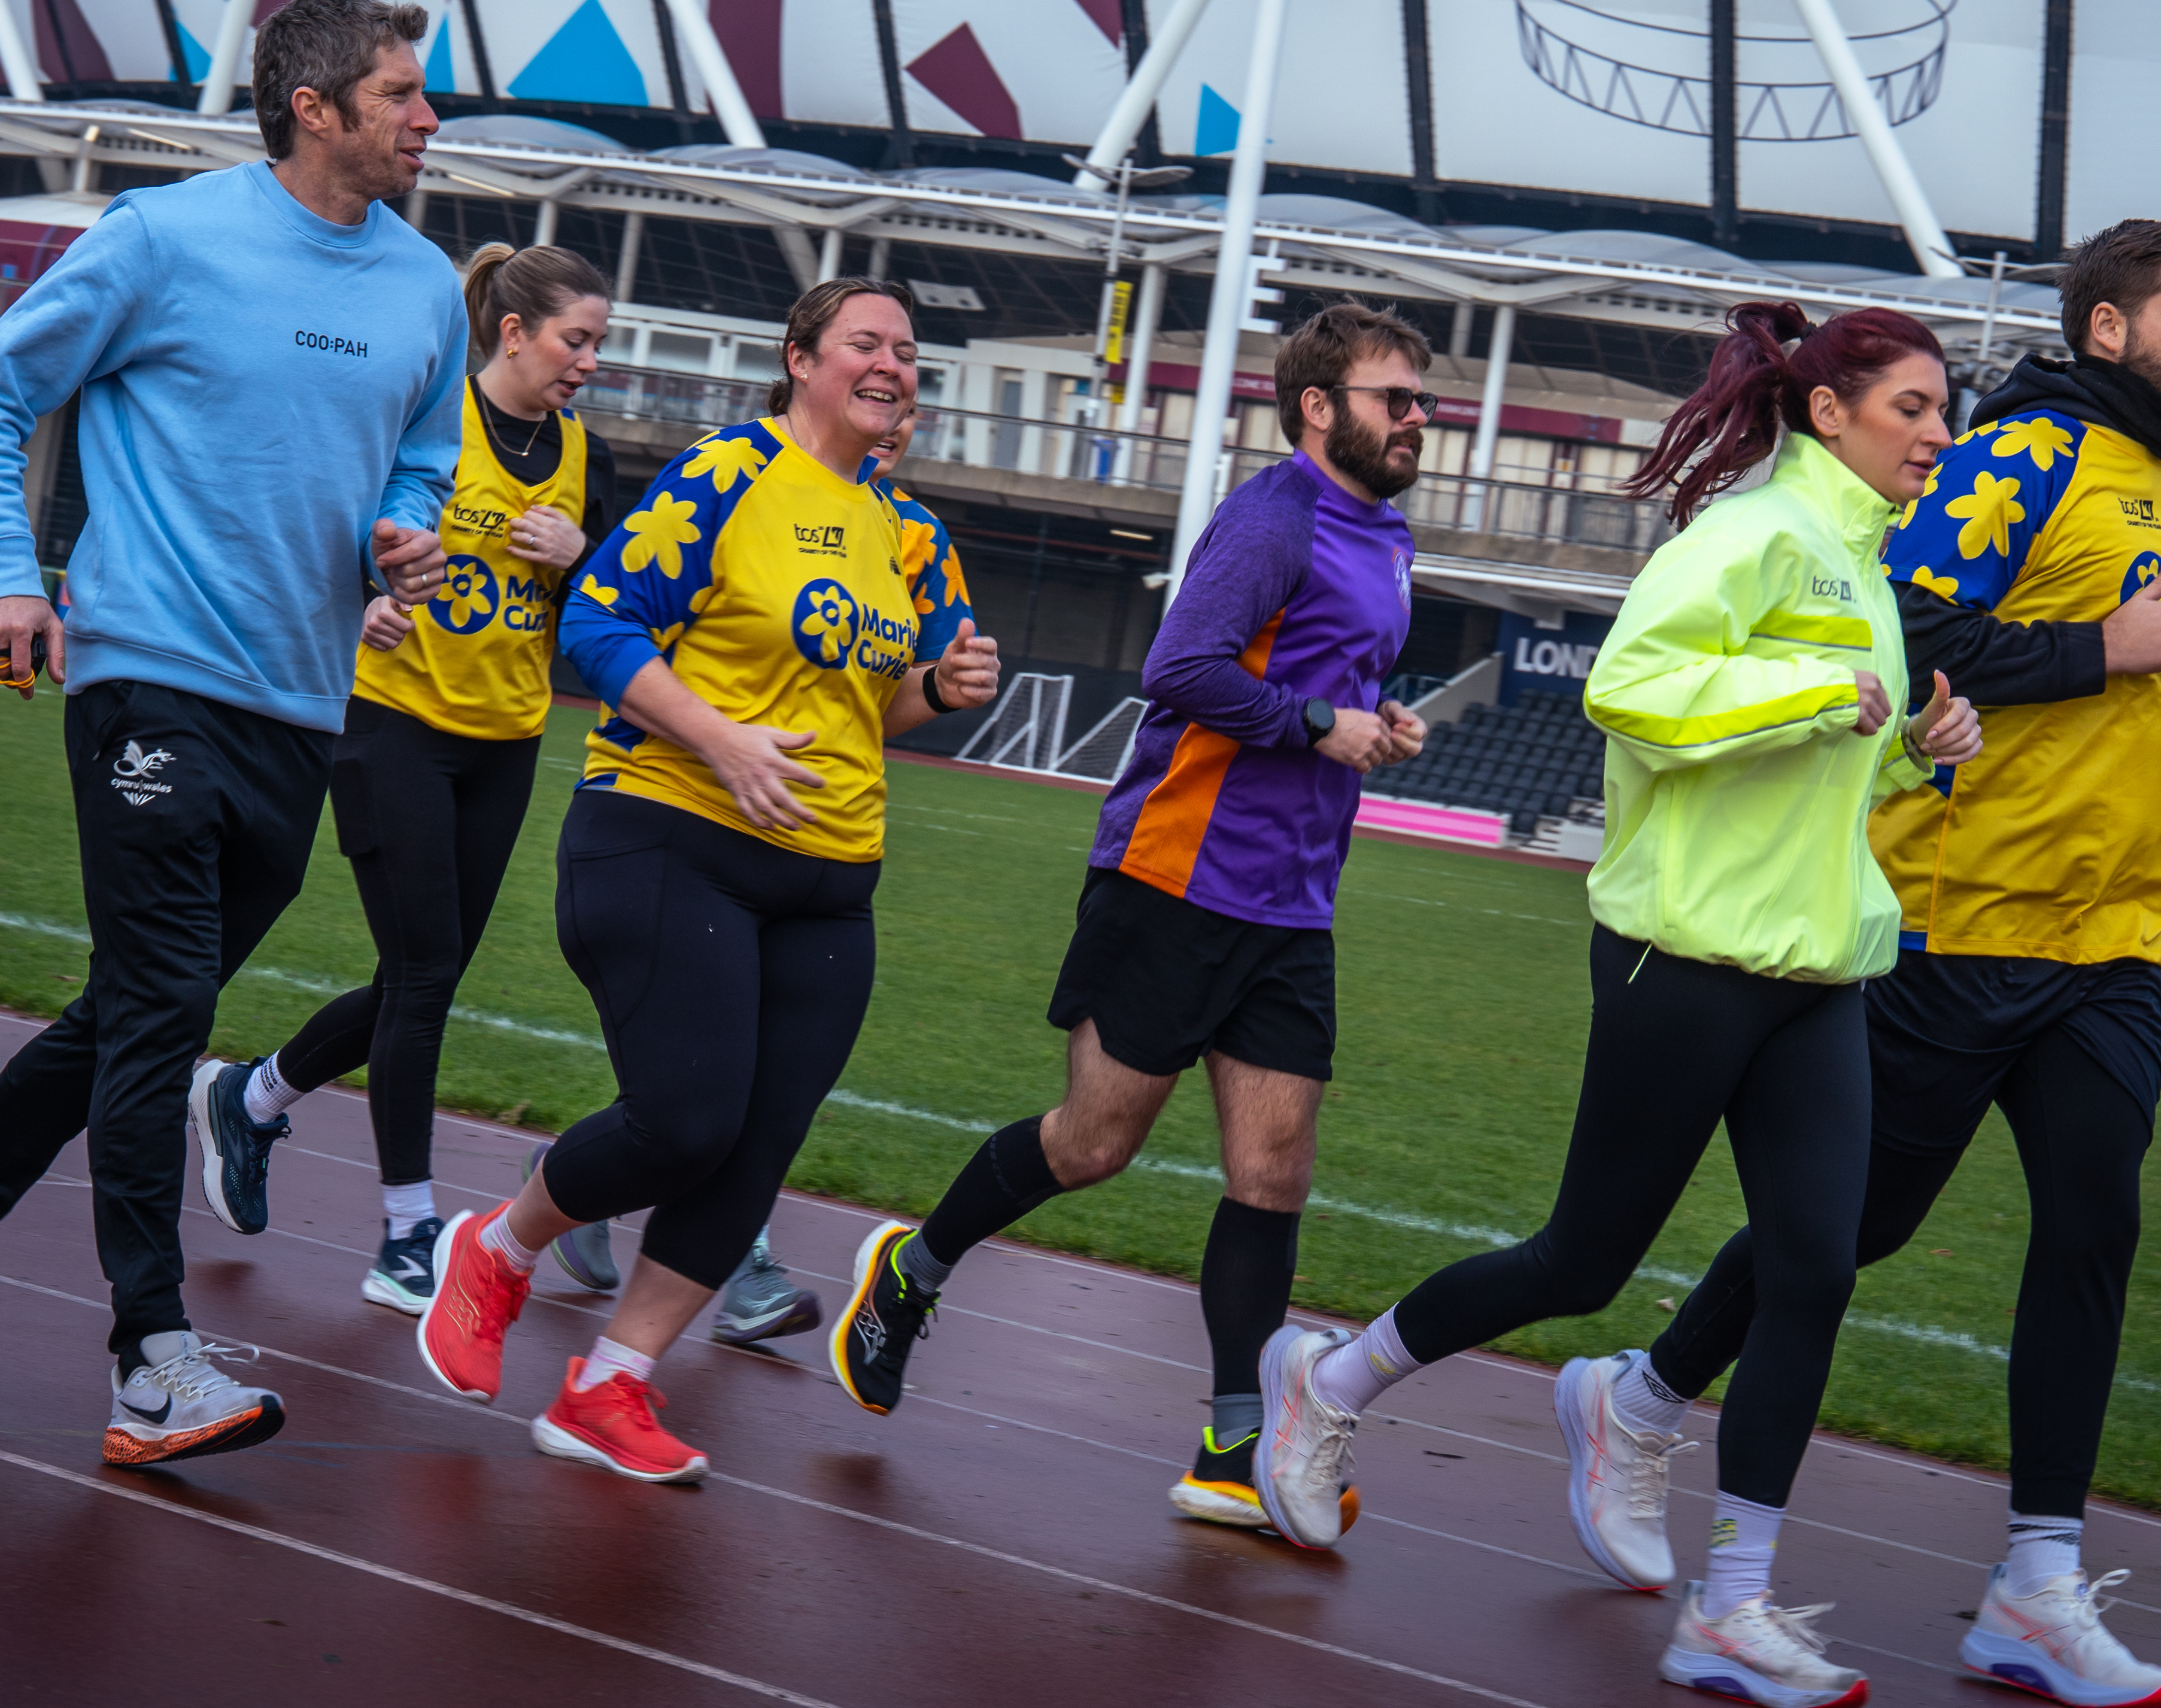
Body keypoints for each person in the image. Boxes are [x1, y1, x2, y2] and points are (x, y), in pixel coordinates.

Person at [1256, 302, 1983, 1707]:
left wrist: (1914, 749)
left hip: (1819, 971)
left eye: (1941, 410)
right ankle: (1330, 1386)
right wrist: (1820, 689)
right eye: (1914, 407)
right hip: (1686, 956)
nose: (1938, 436)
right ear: (1829, 413)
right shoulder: (1753, 533)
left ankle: (1731, 1604)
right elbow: (1631, 687)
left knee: (1817, 1269)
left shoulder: (1867, 568)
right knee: (1581, 1259)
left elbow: (1835, 763)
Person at [0, 0, 469, 1470]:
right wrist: (4, 574)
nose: (427, 119)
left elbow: (425, 455)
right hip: (149, 668)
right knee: (170, 1008)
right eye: (401, 93)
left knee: (138, 1002)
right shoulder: (163, 237)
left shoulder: (428, 285)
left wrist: (404, 529)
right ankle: (149, 1359)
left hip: (301, 700)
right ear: (314, 106)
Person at [1646, 218, 2161, 1708]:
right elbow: (1912, 627)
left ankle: (2036, 1586)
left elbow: (2133, 685)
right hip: (1963, 914)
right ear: (2112, 330)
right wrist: (2101, 653)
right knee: (1852, 1230)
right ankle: (1644, 1390)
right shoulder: (2021, 454)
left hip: (2110, 942)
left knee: (2091, 1227)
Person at [827, 300, 1431, 1534]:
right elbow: (1184, 667)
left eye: (1424, 400)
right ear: (1320, 407)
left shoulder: (1390, 532)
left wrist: (1374, 714)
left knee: (1273, 1172)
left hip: (1294, 900)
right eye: (1396, 398)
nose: (1420, 419)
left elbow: (1325, 672)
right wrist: (1321, 722)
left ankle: (1232, 1443)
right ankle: (910, 1271)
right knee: (1094, 1144)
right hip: (1176, 874)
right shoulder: (1274, 517)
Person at [415, 275, 998, 1485]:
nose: (893, 363)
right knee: (684, 1119)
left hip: (833, 872)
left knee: (753, 1148)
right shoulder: (727, 471)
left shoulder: (914, 536)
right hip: (669, 830)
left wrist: (937, 690)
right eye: (866, 342)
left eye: (909, 349)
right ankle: (498, 1243)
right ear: (801, 357)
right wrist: (720, 737)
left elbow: (881, 703)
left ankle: (609, 1381)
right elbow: (596, 617)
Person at [183, 239, 623, 1312]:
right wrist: (364, 598)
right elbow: (332, 538)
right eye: (577, 340)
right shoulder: (426, 423)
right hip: (392, 726)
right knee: (424, 977)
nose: (590, 362)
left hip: (506, 738)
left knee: (418, 981)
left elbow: (604, 619)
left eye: (601, 344)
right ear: (513, 333)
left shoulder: (586, 461)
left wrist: (581, 560)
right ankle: (408, 1234)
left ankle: (252, 1096)